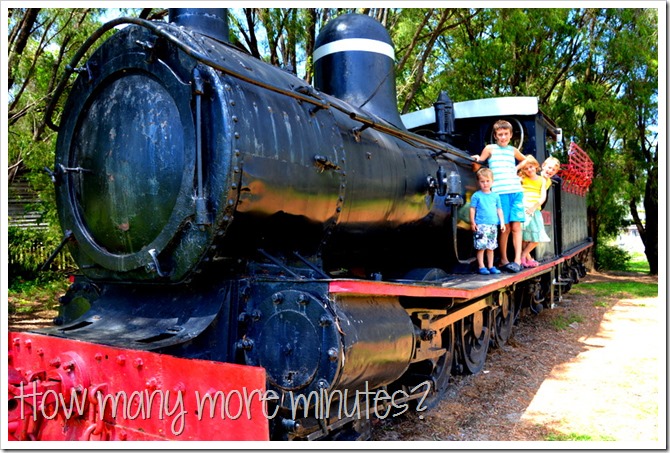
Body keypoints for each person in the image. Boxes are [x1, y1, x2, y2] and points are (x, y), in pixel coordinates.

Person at [472, 120, 528, 273]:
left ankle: (517, 260)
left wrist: (515, 169)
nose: (503, 137)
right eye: (500, 134)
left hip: (515, 191)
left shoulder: (512, 150)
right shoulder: (490, 148)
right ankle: (504, 259)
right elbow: (480, 162)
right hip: (500, 192)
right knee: (506, 228)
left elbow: (525, 160)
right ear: (495, 136)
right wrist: (477, 158)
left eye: (506, 134)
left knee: (517, 226)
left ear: (510, 135)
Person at [470, 168, 506, 275]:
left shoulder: (495, 196)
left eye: (487, 181)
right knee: (481, 247)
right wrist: (473, 222)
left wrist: (502, 222)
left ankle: (491, 266)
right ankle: (481, 266)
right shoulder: (476, 195)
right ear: (478, 182)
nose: (485, 184)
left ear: (492, 181)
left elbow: (499, 209)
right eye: (482, 181)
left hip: (492, 225)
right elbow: (472, 209)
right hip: (481, 225)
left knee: (491, 247)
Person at [518, 155, 551, 267]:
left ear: (536, 166)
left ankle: (523, 256)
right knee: (524, 237)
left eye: (531, 167)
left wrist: (534, 207)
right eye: (526, 168)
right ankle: (527, 259)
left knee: (536, 238)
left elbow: (542, 197)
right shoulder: (522, 179)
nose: (529, 170)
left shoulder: (542, 180)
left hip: (534, 209)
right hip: (523, 209)